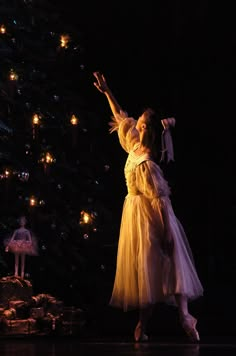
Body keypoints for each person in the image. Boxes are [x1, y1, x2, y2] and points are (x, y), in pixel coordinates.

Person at [93, 71, 203, 342]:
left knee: (169, 263)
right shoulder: (133, 145)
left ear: (147, 130)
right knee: (148, 270)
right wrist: (107, 91)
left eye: (140, 123)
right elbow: (120, 115)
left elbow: (161, 200)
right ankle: (143, 323)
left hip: (153, 216)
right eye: (138, 121)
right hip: (136, 215)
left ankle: (185, 317)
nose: (135, 123)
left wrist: (166, 230)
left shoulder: (148, 164)